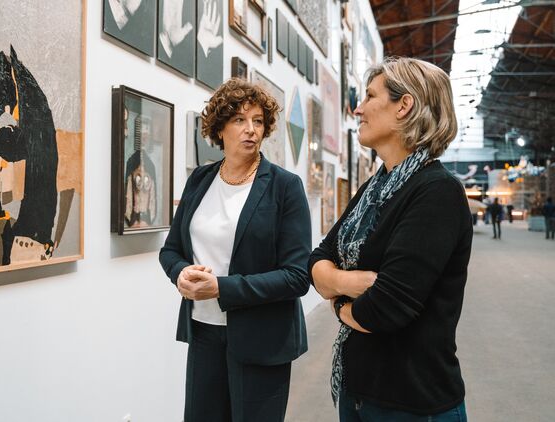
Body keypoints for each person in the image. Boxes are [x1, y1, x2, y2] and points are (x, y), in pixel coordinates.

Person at [308, 57, 472, 421]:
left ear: (404, 105)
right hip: (357, 389)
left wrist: (336, 302)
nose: (358, 108)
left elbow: (383, 310)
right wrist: (349, 283)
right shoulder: (376, 186)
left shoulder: (437, 191)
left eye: (369, 96)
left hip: (412, 403)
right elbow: (317, 259)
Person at [159, 78, 312, 422]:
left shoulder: (285, 186)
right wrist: (180, 273)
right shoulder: (200, 180)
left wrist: (221, 288)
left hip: (263, 338)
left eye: (258, 121)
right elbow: (170, 251)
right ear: (220, 128)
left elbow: (297, 276)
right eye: (239, 120)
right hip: (203, 330)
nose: (251, 129)